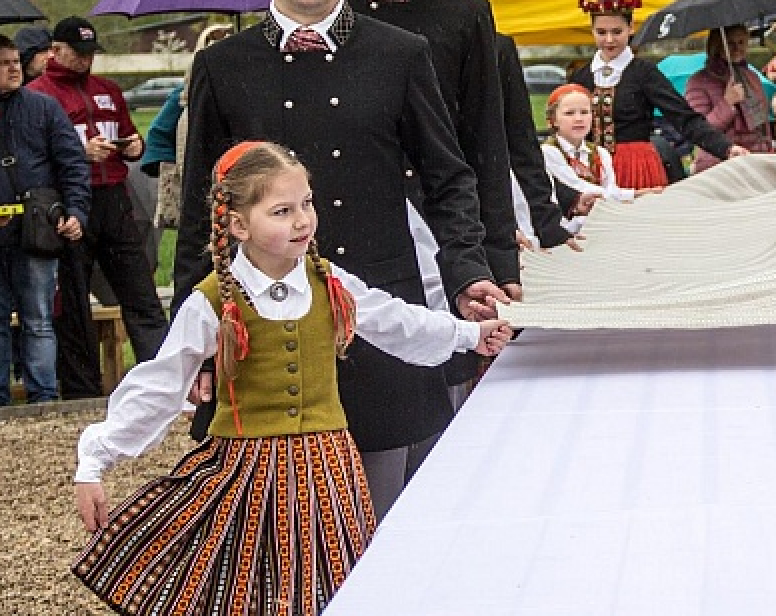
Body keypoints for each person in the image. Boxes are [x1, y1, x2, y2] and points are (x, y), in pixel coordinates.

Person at [73, 141, 511, 616]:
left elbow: (395, 321)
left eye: (306, 203)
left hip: (329, 474)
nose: (302, 220)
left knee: (338, 587)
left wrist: (470, 334)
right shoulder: (215, 299)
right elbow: (161, 381)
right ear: (239, 224)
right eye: (282, 210)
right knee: (252, 594)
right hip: (248, 473)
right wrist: (95, 461)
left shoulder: (328, 281)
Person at [176, 0, 503, 520]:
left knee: (383, 525)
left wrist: (467, 271)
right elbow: (201, 210)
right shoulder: (222, 66)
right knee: (276, 531)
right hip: (262, 330)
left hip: (378, 320)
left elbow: (447, 178)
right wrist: (194, 340)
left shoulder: (399, 55)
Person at [342, 0, 521, 299]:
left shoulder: (466, 11)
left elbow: (486, 139)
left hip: (444, 222)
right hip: (347, 217)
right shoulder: (329, 0)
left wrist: (501, 263)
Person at [30, 17, 168, 399]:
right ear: (55, 51)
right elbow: (33, 156)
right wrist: (78, 153)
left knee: (140, 292)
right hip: (70, 199)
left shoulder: (107, 90)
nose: (86, 61)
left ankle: (163, 383)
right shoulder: (38, 96)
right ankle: (82, 391)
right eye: (78, 53)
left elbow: (131, 134)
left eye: (91, 54)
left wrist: (132, 147)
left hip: (114, 195)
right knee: (73, 301)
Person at [424, 0, 575, 252]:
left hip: (483, 195)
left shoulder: (498, 47)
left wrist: (548, 222)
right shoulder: (397, 45)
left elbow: (520, 140)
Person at [0, 33, 88, 406]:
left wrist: (76, 212)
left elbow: (72, 164)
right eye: (2, 63)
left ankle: (43, 398)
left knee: (39, 319)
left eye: (14, 61)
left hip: (36, 231)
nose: (13, 68)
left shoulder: (44, 108)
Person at [569, 0, 747, 189]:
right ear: (592, 31)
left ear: (631, 29)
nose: (609, 40)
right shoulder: (581, 77)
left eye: (617, 32)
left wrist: (726, 148)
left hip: (635, 166)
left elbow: (684, 117)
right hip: (592, 168)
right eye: (601, 32)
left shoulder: (644, 73)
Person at [541, 84, 655, 234]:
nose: (578, 119)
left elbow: (610, 189)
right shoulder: (548, 152)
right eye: (569, 113)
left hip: (598, 220)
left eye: (584, 112)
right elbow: (578, 186)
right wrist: (625, 198)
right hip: (565, 226)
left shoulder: (600, 153)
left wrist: (637, 194)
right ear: (554, 120)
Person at [684, 23, 774, 173]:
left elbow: (763, 126)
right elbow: (699, 131)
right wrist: (727, 103)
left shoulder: (751, 76)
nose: (737, 48)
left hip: (755, 161)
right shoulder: (698, 82)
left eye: (741, 43)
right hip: (720, 165)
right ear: (718, 45)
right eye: (730, 43)